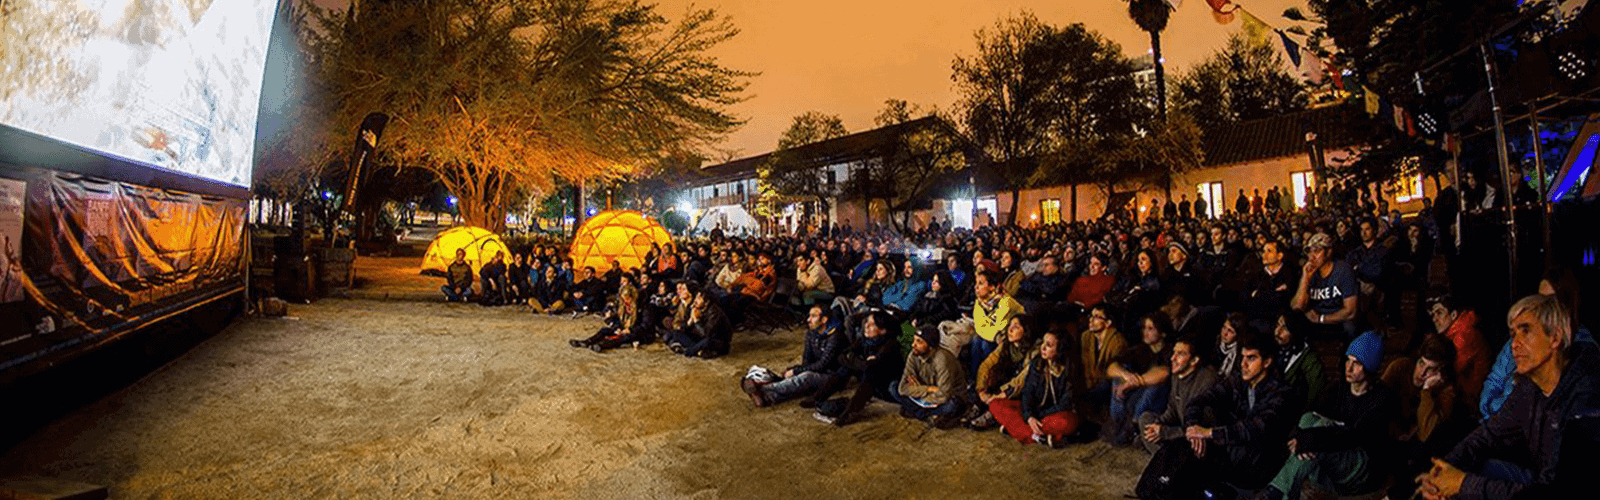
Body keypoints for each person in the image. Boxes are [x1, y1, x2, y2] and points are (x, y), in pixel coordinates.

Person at [1420, 294, 1600, 500]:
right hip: (1540, 480)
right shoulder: (1529, 387)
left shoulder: (1586, 397)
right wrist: (1444, 473)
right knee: (1467, 461)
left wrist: (1462, 484)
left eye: (1526, 331)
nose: (1515, 344)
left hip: (1563, 492)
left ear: (1555, 338)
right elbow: (1489, 435)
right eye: (1513, 334)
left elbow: (1555, 492)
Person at [1137, 334, 1292, 500]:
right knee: (1182, 453)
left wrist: (1208, 433)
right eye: (1243, 357)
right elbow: (1197, 402)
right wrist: (1193, 428)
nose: (1244, 364)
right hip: (1229, 452)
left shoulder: (1280, 393)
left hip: (1257, 462)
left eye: (1251, 358)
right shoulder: (1238, 380)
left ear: (1267, 362)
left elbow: (1255, 428)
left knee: (1194, 454)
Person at [1256, 331, 1399, 500]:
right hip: (1332, 458)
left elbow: (1354, 436)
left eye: (1357, 363)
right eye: (1348, 360)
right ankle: (1281, 489)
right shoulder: (1339, 387)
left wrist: (1310, 440)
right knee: (1308, 418)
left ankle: (1276, 492)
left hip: (1361, 467)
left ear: (1369, 368)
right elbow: (1310, 415)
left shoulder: (1381, 397)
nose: (1349, 368)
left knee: (1319, 437)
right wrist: (1301, 438)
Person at [814, 311, 906, 427]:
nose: (866, 326)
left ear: (883, 330)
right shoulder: (864, 339)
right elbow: (842, 356)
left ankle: (850, 412)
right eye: (867, 322)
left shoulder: (891, 344)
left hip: (887, 387)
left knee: (870, 371)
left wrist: (856, 360)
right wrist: (860, 361)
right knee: (847, 368)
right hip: (872, 385)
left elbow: (871, 367)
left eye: (872, 325)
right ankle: (818, 397)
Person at [991, 330, 1080, 446]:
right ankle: (1039, 437)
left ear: (1060, 350)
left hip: (1052, 415)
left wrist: (1037, 416)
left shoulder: (1069, 370)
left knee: (1068, 422)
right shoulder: (1037, 363)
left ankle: (1018, 431)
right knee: (996, 404)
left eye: (1048, 345)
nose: (1042, 348)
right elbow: (1027, 393)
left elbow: (1065, 403)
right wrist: (1029, 417)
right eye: (1043, 343)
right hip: (1034, 412)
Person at [746, 305, 846, 407]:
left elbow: (823, 364)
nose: (808, 320)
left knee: (805, 377)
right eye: (809, 316)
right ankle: (768, 398)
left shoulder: (835, 336)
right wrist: (797, 370)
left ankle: (761, 388)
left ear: (824, 319)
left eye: (813, 316)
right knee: (797, 377)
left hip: (833, 377)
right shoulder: (811, 333)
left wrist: (797, 371)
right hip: (817, 372)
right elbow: (807, 359)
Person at [1138, 335, 1220, 454]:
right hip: (1182, 430)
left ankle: (1169, 462)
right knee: (1146, 419)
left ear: (1194, 360)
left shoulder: (1207, 381)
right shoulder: (1177, 375)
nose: (1173, 358)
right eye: (1174, 353)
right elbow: (1172, 410)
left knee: (1194, 441)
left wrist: (1165, 432)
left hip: (1200, 437)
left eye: (1180, 354)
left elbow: (1203, 427)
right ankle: (1165, 459)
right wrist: (1157, 425)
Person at [1104, 313, 1175, 446]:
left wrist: (1135, 382)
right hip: (1137, 395)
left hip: (1161, 401)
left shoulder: (1169, 351)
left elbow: (1164, 373)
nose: (1145, 332)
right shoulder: (1141, 349)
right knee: (1118, 378)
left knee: (1154, 388)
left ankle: (1134, 427)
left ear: (1162, 333)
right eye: (1144, 328)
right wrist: (1126, 376)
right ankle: (1118, 422)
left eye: (1150, 329)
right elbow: (1111, 366)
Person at [893, 325, 968, 429]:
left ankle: (917, 412)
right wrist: (928, 389)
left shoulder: (942, 359)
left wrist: (917, 391)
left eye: (919, 342)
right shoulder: (914, 355)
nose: (913, 345)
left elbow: (944, 395)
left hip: (947, 398)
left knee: (952, 405)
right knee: (894, 387)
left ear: (931, 346)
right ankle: (930, 415)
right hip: (931, 395)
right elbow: (902, 388)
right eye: (914, 340)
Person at [968, 315, 1036, 429]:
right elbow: (987, 364)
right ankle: (981, 406)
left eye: (1016, 327)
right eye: (1010, 325)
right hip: (1004, 385)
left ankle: (991, 414)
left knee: (1004, 403)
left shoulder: (1034, 351)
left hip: (1017, 391)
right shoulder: (1007, 345)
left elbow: (1022, 380)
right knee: (980, 385)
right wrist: (982, 390)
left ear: (1026, 331)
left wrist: (1000, 395)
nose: (1010, 330)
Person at [1291, 233, 1359, 339]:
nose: (1312, 257)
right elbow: (1297, 307)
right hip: (1314, 319)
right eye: (1309, 252)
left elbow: (1350, 311)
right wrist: (1305, 278)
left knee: (1350, 327)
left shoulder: (1343, 270)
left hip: (1337, 319)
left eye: (1317, 251)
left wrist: (1321, 319)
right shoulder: (1310, 271)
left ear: (1328, 252)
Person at [1427, 294, 1489, 401]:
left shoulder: (1465, 334)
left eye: (1440, 313)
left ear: (1453, 315)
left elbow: (1453, 369)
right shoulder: (1453, 333)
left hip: (1472, 398)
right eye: (1433, 315)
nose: (1435, 319)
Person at [970, 270, 1025, 380]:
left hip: (1013, 334)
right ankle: (976, 378)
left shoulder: (1006, 302)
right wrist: (994, 336)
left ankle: (991, 378)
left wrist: (994, 335)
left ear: (991, 287)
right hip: (996, 335)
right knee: (976, 339)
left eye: (980, 284)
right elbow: (980, 326)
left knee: (985, 344)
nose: (976, 287)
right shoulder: (979, 303)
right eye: (976, 284)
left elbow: (1000, 326)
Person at [569, 273, 642, 352]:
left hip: (636, 332)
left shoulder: (642, 308)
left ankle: (601, 345)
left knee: (623, 337)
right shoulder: (623, 306)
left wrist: (630, 330)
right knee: (605, 330)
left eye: (627, 299)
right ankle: (586, 342)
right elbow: (619, 318)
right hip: (624, 327)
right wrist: (616, 325)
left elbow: (645, 325)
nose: (625, 301)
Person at [1273, 313, 1326, 415]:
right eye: (1277, 325)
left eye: (1285, 328)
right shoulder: (1274, 350)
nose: (1277, 332)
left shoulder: (1309, 360)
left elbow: (1314, 395)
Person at [666, 287, 732, 359]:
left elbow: (707, 334)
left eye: (699, 298)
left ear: (707, 301)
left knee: (707, 342)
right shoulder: (697, 308)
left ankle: (691, 351)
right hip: (701, 338)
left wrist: (696, 320)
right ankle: (699, 351)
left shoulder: (714, 312)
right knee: (677, 333)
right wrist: (690, 321)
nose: (695, 301)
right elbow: (685, 329)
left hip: (717, 341)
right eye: (696, 298)